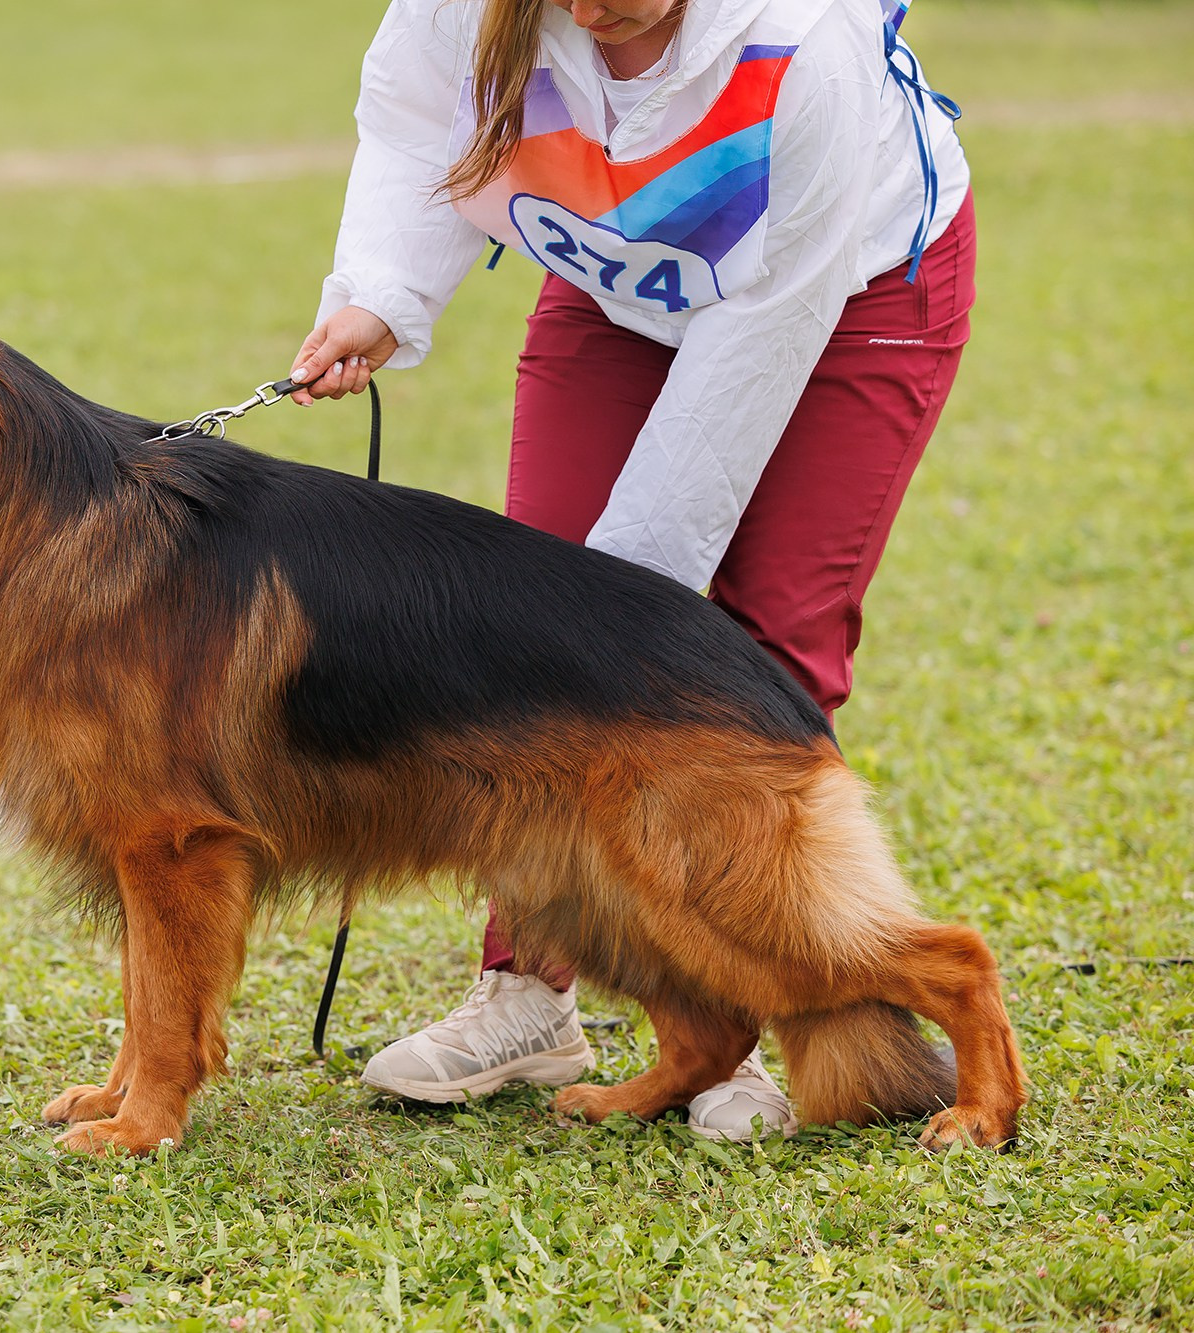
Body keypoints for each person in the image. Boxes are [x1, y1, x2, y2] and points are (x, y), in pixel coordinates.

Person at [288, 0, 972, 1139]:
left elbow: (761, 330)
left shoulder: (801, 42)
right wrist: (380, 295)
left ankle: (739, 1029)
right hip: (622, 270)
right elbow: (416, 125)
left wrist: (614, 631)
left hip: (840, 289)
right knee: (524, 649)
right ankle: (525, 993)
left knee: (753, 647)